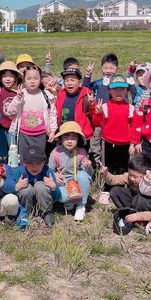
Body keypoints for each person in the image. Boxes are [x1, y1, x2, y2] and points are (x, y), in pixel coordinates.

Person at [91, 74, 134, 204]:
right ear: (109, 90)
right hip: (108, 143)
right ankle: (106, 189)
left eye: (122, 89)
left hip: (125, 144)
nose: (119, 92)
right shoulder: (104, 106)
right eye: (115, 89)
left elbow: (133, 127)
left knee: (123, 168)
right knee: (107, 167)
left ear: (127, 90)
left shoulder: (130, 108)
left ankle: (120, 189)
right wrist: (97, 113)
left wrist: (133, 143)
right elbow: (97, 123)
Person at [6, 62, 57, 163]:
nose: (32, 81)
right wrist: (18, 98)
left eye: (36, 78)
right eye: (29, 78)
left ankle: (39, 178)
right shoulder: (21, 94)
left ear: (41, 80)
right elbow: (10, 112)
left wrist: (53, 130)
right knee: (23, 160)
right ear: (24, 80)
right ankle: (24, 178)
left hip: (41, 134)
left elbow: (52, 113)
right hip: (23, 135)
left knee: (39, 160)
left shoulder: (46, 95)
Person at [47, 121, 93, 221]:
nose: (69, 141)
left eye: (73, 138)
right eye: (66, 137)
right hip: (63, 184)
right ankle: (69, 201)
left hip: (76, 184)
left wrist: (88, 166)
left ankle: (81, 205)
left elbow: (89, 175)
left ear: (78, 139)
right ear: (60, 138)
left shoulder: (81, 153)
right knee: (60, 194)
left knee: (83, 175)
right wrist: (54, 174)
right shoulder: (55, 153)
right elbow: (48, 171)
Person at [15, 146, 58, 228]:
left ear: (44, 162)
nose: (34, 167)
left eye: (38, 163)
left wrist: (53, 187)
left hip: (43, 202)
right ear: (24, 163)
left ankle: (46, 212)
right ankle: (25, 213)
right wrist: (17, 187)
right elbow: (11, 194)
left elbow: (57, 195)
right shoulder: (19, 171)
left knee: (39, 185)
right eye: (30, 163)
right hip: (27, 203)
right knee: (25, 189)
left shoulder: (47, 171)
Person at [89, 53, 120, 164]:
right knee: (95, 142)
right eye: (106, 67)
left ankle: (109, 164)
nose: (108, 70)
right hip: (98, 119)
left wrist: (131, 71)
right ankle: (96, 165)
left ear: (117, 69)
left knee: (109, 143)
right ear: (101, 68)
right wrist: (88, 76)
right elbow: (85, 87)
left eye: (111, 68)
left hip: (112, 120)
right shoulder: (97, 83)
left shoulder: (119, 85)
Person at [0, 61, 23, 160]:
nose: (8, 79)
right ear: (0, 78)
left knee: (13, 155)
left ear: (16, 78)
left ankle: (13, 173)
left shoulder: (19, 93)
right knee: (0, 155)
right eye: (5, 76)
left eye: (11, 76)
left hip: (13, 129)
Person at [55, 68, 94, 143]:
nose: (69, 83)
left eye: (72, 80)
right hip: (64, 134)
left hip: (80, 136)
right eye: (66, 80)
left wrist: (92, 105)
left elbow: (94, 117)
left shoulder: (86, 96)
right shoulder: (61, 94)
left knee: (81, 154)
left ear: (80, 82)